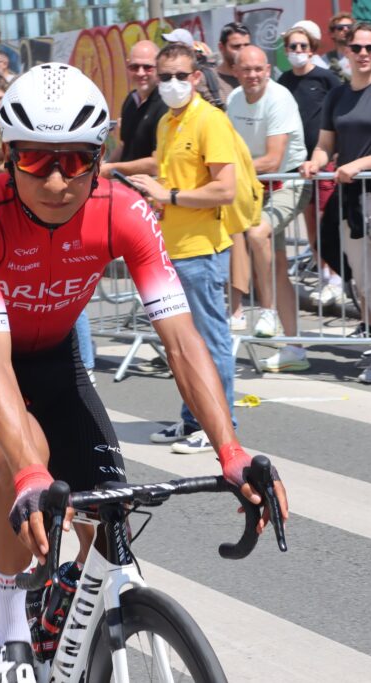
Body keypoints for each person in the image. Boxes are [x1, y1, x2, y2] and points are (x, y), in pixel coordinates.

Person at [0, 63, 288, 681]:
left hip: (54, 355)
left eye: (73, 161)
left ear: (99, 158)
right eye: (35, 160)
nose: (54, 179)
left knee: (109, 505)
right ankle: (12, 630)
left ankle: (66, 610)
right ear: (8, 157)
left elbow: (181, 340)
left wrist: (230, 449)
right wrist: (30, 474)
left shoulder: (123, 210)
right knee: (26, 457)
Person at [128, 43, 238, 454]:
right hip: (170, 247)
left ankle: (219, 426)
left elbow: (224, 189)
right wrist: (157, 198)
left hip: (202, 249)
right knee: (183, 344)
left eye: (180, 76)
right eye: (165, 76)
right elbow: (169, 180)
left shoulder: (210, 121)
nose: (171, 84)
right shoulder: (167, 123)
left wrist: (168, 195)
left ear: (196, 77)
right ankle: (194, 418)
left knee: (209, 340)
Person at [301, 22, 371, 384]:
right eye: (357, 48)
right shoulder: (337, 96)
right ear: (347, 51)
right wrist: (314, 162)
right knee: (365, 279)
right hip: (349, 198)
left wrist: (360, 165)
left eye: (370, 47)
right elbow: (324, 146)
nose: (364, 54)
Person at [229, 45, 312, 371]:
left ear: (268, 69)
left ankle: (268, 311)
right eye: (246, 69)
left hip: (288, 182)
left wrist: (229, 168)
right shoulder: (235, 99)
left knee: (257, 233)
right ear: (236, 71)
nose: (252, 75)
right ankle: (295, 348)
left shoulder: (279, 99)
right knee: (276, 265)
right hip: (254, 186)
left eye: (258, 69)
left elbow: (272, 160)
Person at [278, 23, 344, 309]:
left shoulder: (327, 78)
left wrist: (339, 151)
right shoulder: (282, 81)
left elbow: (341, 112)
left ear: (312, 49)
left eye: (303, 47)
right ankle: (324, 275)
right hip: (296, 164)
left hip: (325, 162)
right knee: (310, 225)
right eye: (293, 47)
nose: (298, 51)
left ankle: (337, 279)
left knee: (327, 219)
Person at [99, 40, 166, 178]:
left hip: (150, 190)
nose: (141, 73)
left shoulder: (165, 104)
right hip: (126, 187)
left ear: (159, 68)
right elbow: (124, 146)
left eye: (147, 67)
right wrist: (101, 171)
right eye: (134, 67)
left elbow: (156, 164)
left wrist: (111, 168)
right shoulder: (130, 100)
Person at [198, 21, 249, 109]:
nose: (243, 51)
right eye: (236, 46)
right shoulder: (207, 80)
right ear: (221, 47)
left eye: (246, 45)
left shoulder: (255, 77)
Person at [326, 12, 355, 81]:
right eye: (340, 28)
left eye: (349, 27)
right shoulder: (324, 60)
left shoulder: (362, 57)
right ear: (332, 33)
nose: (345, 29)